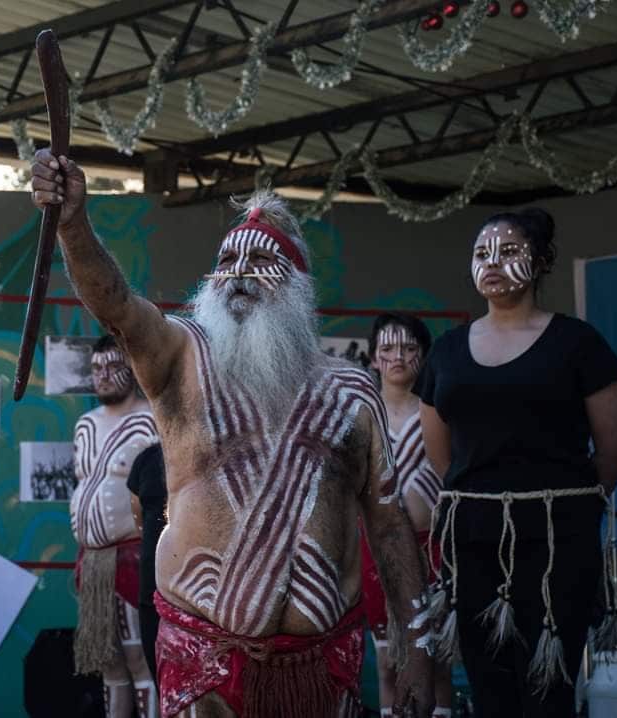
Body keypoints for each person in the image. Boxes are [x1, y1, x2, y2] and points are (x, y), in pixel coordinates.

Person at [30, 150, 432, 717]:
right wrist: (73, 224)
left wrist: (416, 647)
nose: (239, 272)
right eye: (227, 260)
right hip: (204, 662)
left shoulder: (351, 393)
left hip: (324, 661)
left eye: (261, 261)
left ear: (296, 285)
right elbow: (114, 303)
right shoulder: (179, 356)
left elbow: (390, 529)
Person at [414, 208, 617, 717]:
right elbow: (441, 455)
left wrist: (565, 505)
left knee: (546, 683)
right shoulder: (447, 352)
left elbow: (616, 447)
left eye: (508, 251)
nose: (491, 263)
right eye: (480, 254)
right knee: (488, 679)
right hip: (471, 538)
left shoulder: (578, 343)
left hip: (557, 538)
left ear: (538, 262)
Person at [364, 313, 454, 717]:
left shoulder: (440, 413)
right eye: (387, 349)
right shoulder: (362, 416)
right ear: (373, 358)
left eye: (409, 348)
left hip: (433, 549)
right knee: (387, 663)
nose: (397, 356)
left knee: (436, 662)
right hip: (376, 554)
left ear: (424, 355)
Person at [70, 336, 160, 718]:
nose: (103, 375)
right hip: (93, 560)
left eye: (113, 366)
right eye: (96, 368)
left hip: (135, 557)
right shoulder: (85, 424)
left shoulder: (152, 420)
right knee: (109, 662)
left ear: (134, 368)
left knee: (140, 656)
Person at [126, 442, 167, 686]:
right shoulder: (148, 458)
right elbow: (138, 518)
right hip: (152, 588)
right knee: (158, 676)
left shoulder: (210, 451)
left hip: (197, 596)